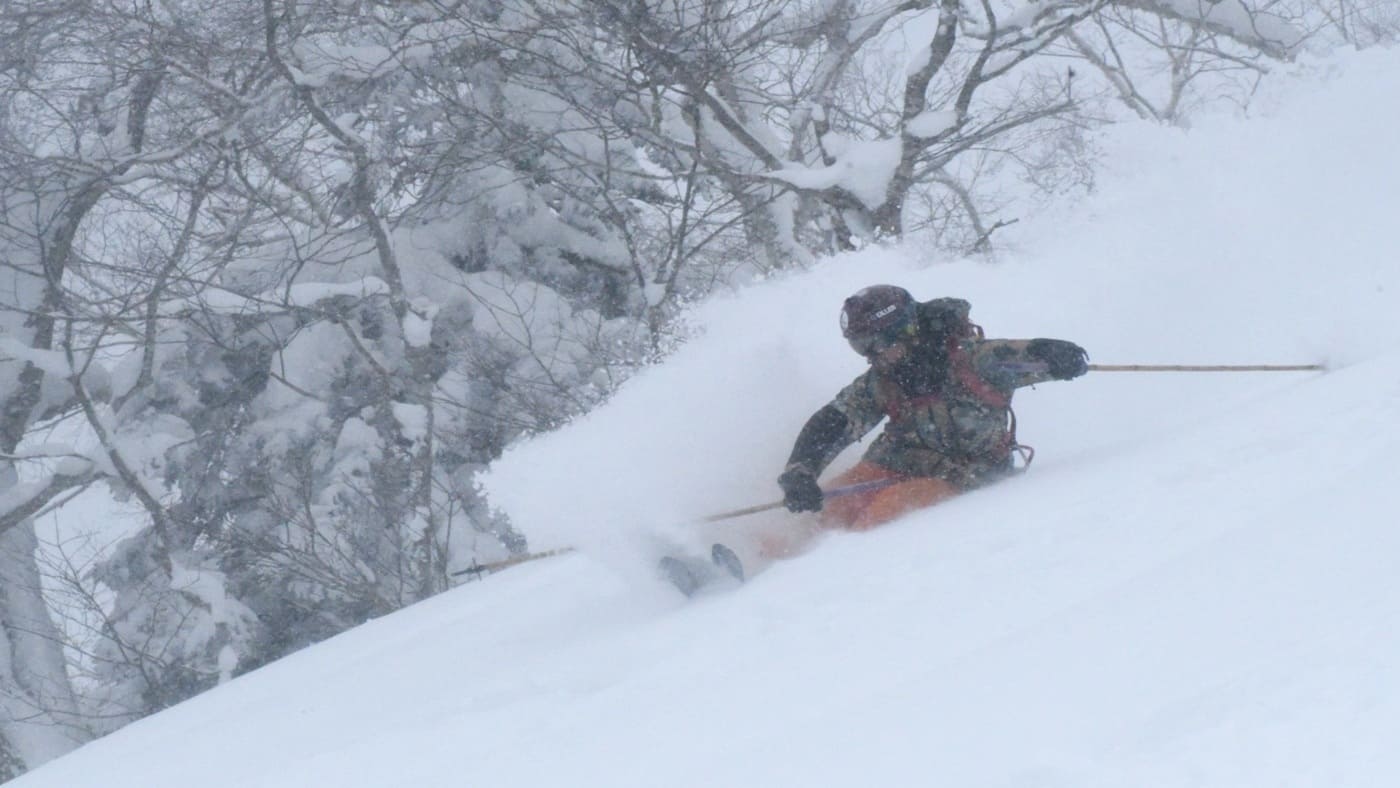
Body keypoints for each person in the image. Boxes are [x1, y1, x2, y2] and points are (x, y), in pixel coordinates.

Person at [776, 285, 1088, 534]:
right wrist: (800, 470)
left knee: (882, 514)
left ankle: (831, 580)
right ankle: (761, 569)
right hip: (898, 461)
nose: (869, 355)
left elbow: (1022, 356)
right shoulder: (883, 378)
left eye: (873, 344)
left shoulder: (973, 360)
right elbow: (835, 421)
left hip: (965, 474)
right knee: (831, 510)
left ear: (903, 331)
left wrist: (1056, 356)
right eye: (859, 347)